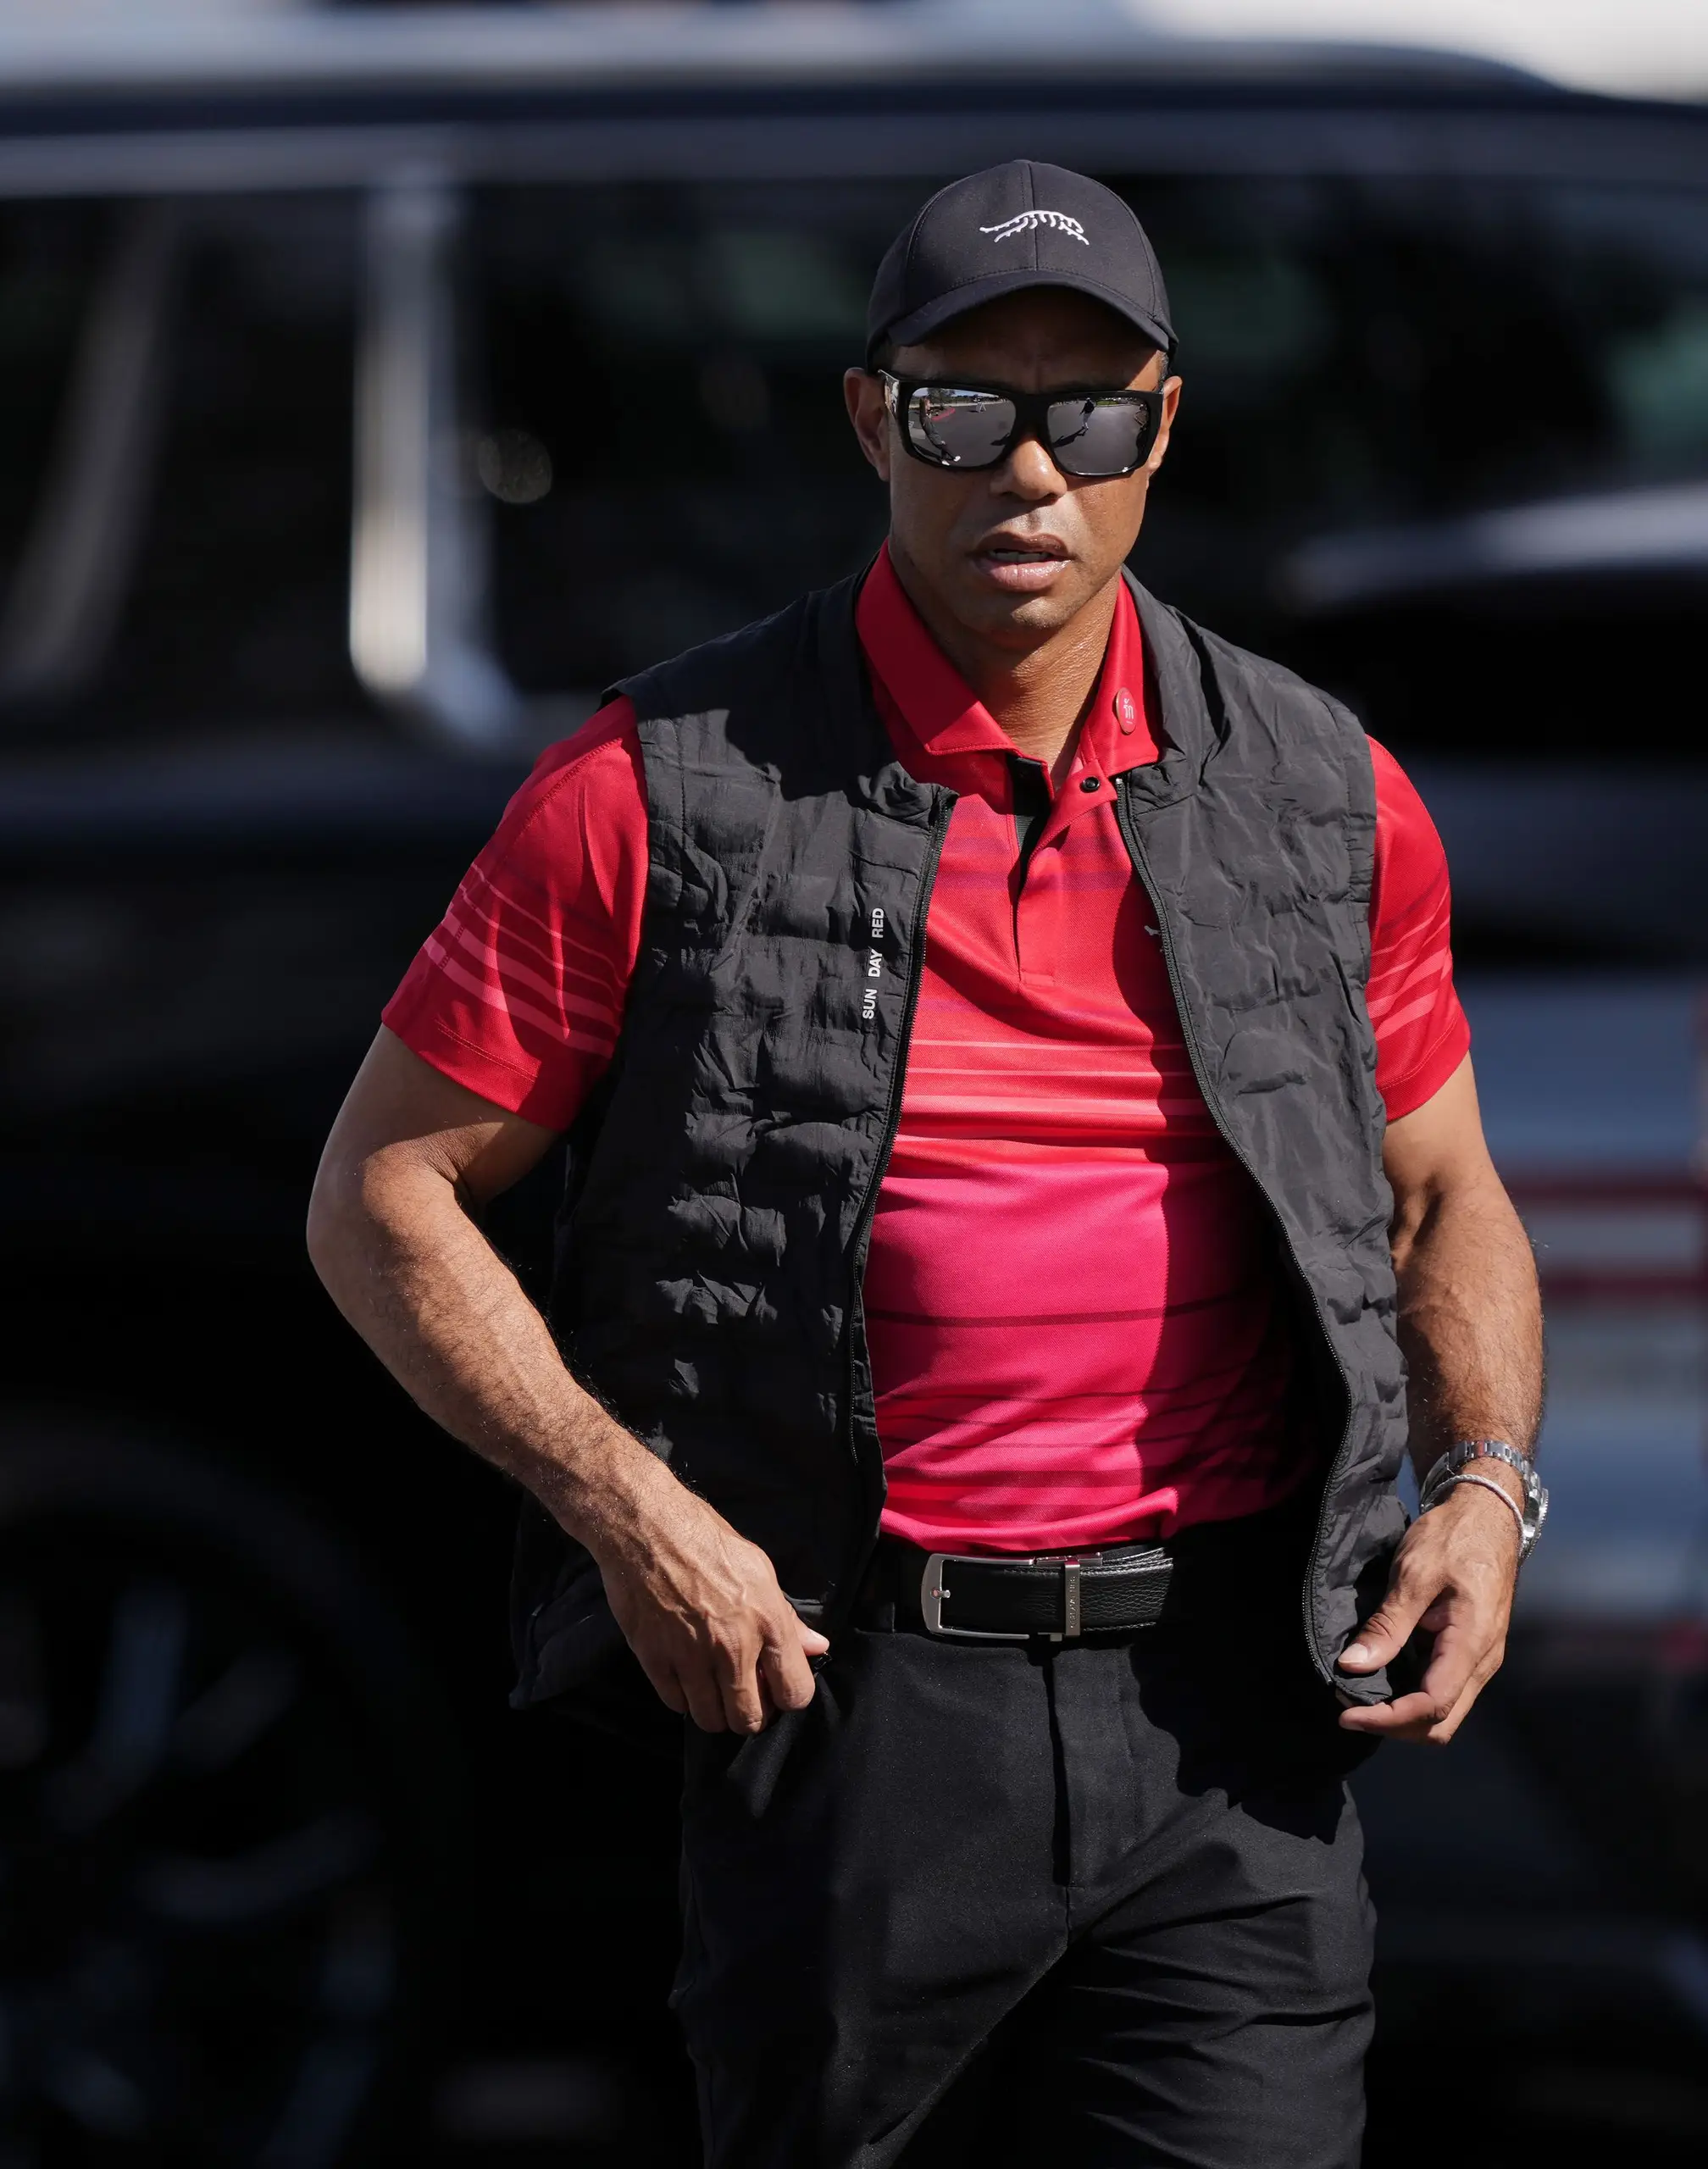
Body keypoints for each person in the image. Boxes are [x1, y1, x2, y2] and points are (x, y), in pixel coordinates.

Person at [305, 163, 1546, 2166]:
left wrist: (1485, 1479)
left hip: (1232, 1716)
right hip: (857, 1701)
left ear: (1164, 425)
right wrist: (638, 1514)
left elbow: (1438, 1193)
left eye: (1092, 411)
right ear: (876, 419)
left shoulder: (1322, 788)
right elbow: (381, 1191)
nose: (1031, 469)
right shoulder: (656, 788)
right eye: (968, 407)